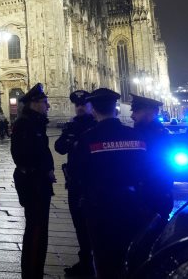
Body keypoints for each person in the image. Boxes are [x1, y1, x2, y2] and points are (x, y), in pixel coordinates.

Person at [68, 88, 151, 279]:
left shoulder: (87, 138)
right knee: (133, 254)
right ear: (116, 108)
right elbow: (149, 169)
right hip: (133, 205)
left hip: (100, 209)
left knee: (105, 259)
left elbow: (76, 173)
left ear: (94, 110)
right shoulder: (135, 136)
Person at [12, 84, 55, 279]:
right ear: (34, 103)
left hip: (39, 182)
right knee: (36, 229)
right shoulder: (25, 123)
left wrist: (48, 169)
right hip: (33, 184)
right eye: (45, 102)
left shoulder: (36, 122)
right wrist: (41, 170)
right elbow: (21, 155)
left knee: (40, 229)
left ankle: (36, 269)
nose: (48, 106)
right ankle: (31, 272)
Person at [54, 89, 96, 277]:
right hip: (75, 184)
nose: (79, 107)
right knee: (79, 225)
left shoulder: (97, 125)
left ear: (91, 105)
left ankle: (97, 262)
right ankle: (85, 261)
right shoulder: (72, 126)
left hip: (94, 185)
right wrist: (71, 138)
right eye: (77, 105)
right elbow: (60, 147)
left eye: (83, 104)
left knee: (94, 225)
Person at [130, 94, 174, 221]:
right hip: (146, 193)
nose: (133, 115)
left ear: (152, 112)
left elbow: (162, 167)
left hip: (154, 193)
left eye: (137, 111)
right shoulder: (139, 133)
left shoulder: (158, 135)